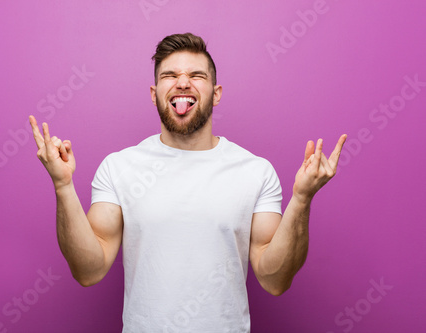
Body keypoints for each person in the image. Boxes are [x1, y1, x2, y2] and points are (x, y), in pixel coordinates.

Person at [29, 33, 347, 332]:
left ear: (216, 93)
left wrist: (302, 198)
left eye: (197, 76)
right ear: (155, 95)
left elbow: (274, 279)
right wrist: (63, 186)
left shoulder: (254, 171)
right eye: (169, 76)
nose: (183, 82)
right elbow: (88, 270)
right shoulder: (120, 167)